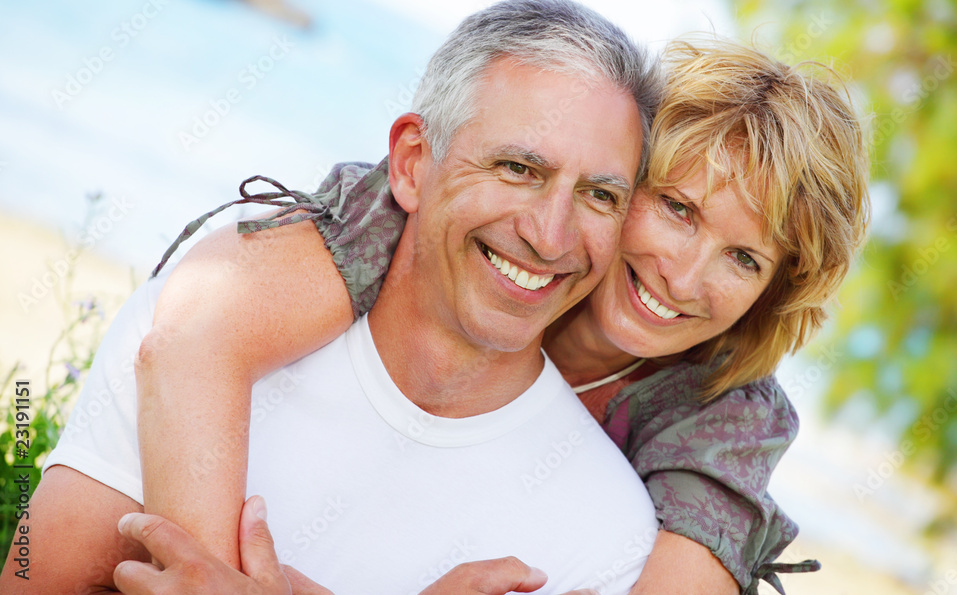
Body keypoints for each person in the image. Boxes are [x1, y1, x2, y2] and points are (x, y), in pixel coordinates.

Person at [113, 35, 869, 593]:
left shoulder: (726, 420)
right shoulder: (450, 220)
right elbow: (201, 332)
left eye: (745, 259)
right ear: (620, 176)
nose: (685, 273)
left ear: (772, 292)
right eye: (677, 209)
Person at [1, 0, 668, 595]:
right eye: (517, 168)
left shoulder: (604, 535)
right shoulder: (221, 311)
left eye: (599, 195)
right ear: (412, 163)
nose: (550, 236)